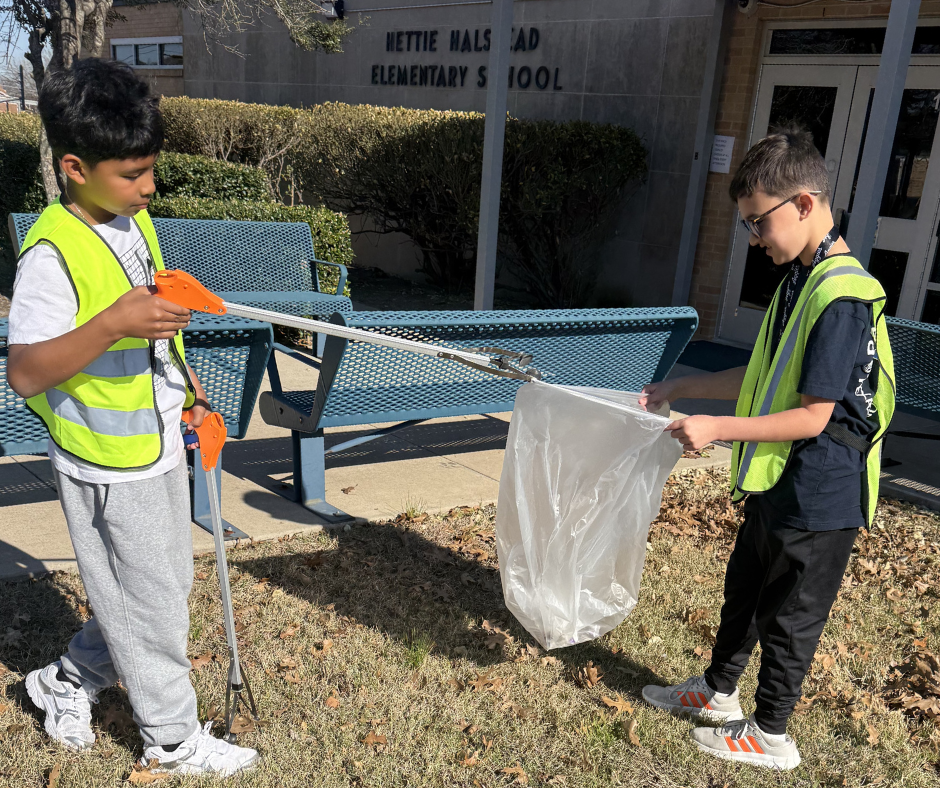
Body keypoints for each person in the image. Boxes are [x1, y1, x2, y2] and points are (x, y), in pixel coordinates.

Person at [7, 58, 258, 776]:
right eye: (132, 174)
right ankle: (172, 740)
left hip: (158, 443)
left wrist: (194, 394)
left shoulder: (131, 222)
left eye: (151, 170)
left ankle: (65, 681)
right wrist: (114, 321)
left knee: (159, 591)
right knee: (151, 607)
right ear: (74, 166)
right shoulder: (52, 255)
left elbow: (160, 330)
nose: (149, 187)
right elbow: (24, 372)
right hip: (105, 462)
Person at [638, 127, 895, 770]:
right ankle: (718, 693)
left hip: (822, 489)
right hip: (779, 478)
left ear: (804, 204)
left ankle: (773, 733)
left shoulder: (841, 296)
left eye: (759, 223)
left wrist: (717, 429)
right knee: (745, 589)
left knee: (789, 616)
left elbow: (812, 416)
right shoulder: (799, 280)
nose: (755, 239)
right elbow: (764, 373)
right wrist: (683, 385)